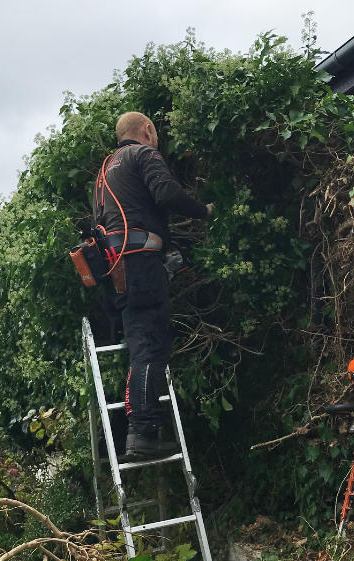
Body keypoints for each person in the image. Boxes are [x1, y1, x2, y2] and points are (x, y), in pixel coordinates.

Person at [93, 111, 213, 459]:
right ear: (147, 130)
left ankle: (124, 434)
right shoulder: (143, 154)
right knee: (150, 347)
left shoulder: (104, 172)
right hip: (140, 264)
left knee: (137, 345)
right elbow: (166, 193)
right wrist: (204, 211)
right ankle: (143, 433)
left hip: (115, 270)